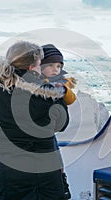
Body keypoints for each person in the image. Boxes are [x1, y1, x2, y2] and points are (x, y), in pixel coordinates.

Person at [0, 41, 70, 200]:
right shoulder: (51, 93)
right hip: (44, 173)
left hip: (4, 172)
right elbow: (62, 125)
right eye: (40, 64)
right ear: (31, 67)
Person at [41, 44, 76, 199]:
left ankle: (61, 179)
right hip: (44, 133)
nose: (55, 69)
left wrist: (64, 90)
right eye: (50, 65)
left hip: (49, 132)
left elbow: (71, 100)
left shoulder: (62, 82)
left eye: (58, 66)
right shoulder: (36, 83)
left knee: (56, 158)